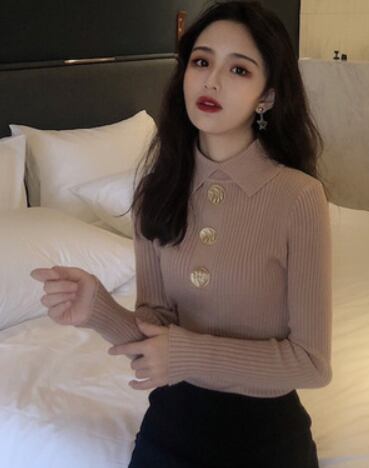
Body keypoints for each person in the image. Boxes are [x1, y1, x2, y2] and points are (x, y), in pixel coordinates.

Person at [30, 1, 332, 466]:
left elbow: (311, 363)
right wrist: (99, 310)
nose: (212, 81)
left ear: (267, 96)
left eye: (239, 69)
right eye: (201, 62)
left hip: (267, 436)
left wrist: (187, 355)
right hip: (172, 424)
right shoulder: (158, 189)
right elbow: (156, 333)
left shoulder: (298, 197)